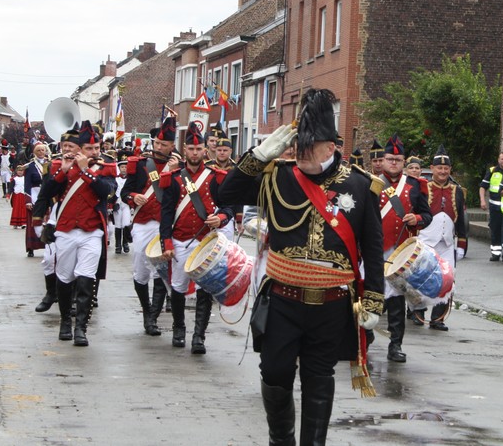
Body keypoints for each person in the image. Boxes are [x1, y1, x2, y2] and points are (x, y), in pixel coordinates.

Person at [219, 88, 384, 446]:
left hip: (331, 302)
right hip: (283, 298)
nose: (301, 152)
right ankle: (281, 440)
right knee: (274, 371)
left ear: (331, 147)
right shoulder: (277, 176)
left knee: (318, 376)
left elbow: (373, 250)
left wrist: (373, 299)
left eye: (310, 146)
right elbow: (225, 196)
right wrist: (256, 157)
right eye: (298, 145)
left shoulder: (360, 185)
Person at [159, 122, 233, 354]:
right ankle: (179, 328)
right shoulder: (173, 178)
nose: (194, 153)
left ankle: (199, 336)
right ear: (185, 150)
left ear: (205, 150)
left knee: (204, 289)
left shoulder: (216, 177)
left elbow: (228, 207)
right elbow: (166, 213)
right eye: (190, 149)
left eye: (198, 149)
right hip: (181, 240)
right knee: (178, 287)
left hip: (206, 241)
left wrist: (220, 218)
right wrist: (166, 242)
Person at [44, 121, 116, 346]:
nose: (94, 152)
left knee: (86, 279)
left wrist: (86, 171)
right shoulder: (63, 167)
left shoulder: (106, 168)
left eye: (96, 148)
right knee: (64, 278)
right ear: (79, 150)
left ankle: (81, 329)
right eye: (89, 149)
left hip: (92, 232)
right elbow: (47, 194)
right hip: (66, 230)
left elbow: (107, 192)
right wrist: (62, 172)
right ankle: (65, 321)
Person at [122, 117, 183, 337]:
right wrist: (133, 196)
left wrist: (175, 172)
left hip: (166, 224)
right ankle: (146, 310)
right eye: (156, 143)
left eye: (163, 144)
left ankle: (153, 318)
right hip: (143, 223)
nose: (158, 147)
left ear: (172, 146)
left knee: (161, 271)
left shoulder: (180, 167)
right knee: (140, 269)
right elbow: (124, 192)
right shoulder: (140, 164)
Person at [379, 133, 432, 362]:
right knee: (369, 296)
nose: (393, 163)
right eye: (390, 159)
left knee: (396, 300)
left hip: (401, 252)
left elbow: (427, 215)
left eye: (398, 160)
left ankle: (395, 345)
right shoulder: (371, 183)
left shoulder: (414, 185)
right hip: (374, 249)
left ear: (403, 162)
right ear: (383, 160)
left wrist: (416, 219)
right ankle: (363, 340)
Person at [413, 145, 467, 331]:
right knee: (420, 277)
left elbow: (462, 219)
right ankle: (418, 312)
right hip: (425, 241)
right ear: (432, 168)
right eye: (439, 168)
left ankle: (438, 318)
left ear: (450, 169)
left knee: (447, 279)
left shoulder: (457, 190)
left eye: (446, 168)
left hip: (447, 243)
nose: (443, 171)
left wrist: (462, 244)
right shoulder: (423, 188)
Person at [32, 130, 79, 314]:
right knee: (49, 259)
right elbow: (44, 195)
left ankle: (73, 298)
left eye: (70, 146)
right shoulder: (53, 165)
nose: (66, 149)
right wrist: (37, 220)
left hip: (78, 219)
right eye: (64, 145)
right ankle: (51, 293)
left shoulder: (88, 165)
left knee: (74, 262)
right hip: (56, 217)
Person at [479, 152, 503, 263]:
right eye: (502, 159)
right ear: (498, 160)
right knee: (495, 229)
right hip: (494, 207)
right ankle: (496, 253)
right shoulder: (492, 171)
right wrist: (482, 200)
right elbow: (483, 187)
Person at [24, 143, 49, 258]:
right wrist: (28, 200)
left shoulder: (50, 163)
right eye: (38, 150)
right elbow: (27, 184)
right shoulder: (30, 166)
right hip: (35, 194)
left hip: (47, 194)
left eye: (42, 150)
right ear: (34, 152)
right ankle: (31, 247)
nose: (41, 152)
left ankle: (48, 244)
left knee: (47, 221)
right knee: (33, 222)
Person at [112, 161, 132, 254]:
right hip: (117, 203)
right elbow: (111, 192)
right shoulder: (115, 178)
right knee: (118, 224)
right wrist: (111, 204)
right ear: (119, 168)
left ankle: (125, 243)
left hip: (126, 204)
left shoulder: (130, 179)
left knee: (126, 223)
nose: (124, 169)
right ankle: (118, 245)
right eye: (122, 167)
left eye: (126, 167)